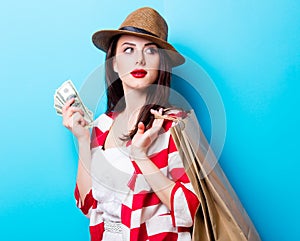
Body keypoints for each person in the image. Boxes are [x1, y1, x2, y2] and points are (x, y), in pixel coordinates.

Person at [62, 7, 200, 241]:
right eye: (128, 50)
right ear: (114, 63)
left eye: (150, 51)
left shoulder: (173, 125)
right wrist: (83, 140)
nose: (139, 59)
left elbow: (190, 212)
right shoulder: (101, 127)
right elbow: (88, 207)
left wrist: (141, 156)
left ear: (161, 64)